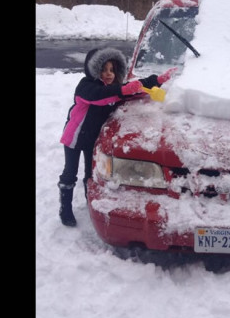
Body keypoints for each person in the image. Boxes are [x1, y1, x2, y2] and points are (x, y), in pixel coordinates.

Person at [57, 46, 177, 226]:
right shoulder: (86, 86)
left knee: (90, 175)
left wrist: (156, 81)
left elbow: (135, 88)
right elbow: (99, 96)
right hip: (74, 138)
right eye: (104, 70)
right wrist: (123, 91)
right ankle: (65, 207)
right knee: (70, 172)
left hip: (92, 140)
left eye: (112, 70)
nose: (108, 74)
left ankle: (88, 201)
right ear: (93, 70)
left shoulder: (114, 89)